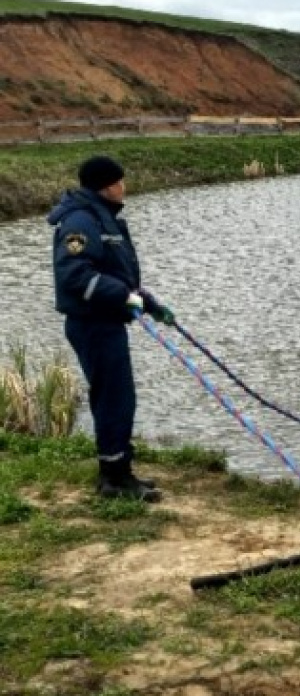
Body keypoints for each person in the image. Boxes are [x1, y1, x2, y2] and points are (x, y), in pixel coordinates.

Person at [48, 155, 175, 503]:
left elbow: (112, 270)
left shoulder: (102, 217)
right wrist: (122, 295)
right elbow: (74, 275)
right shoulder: (81, 221)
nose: (124, 186)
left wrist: (146, 301)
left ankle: (119, 471)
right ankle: (114, 480)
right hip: (93, 325)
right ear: (107, 185)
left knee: (118, 397)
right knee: (114, 398)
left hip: (106, 321)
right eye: (120, 181)